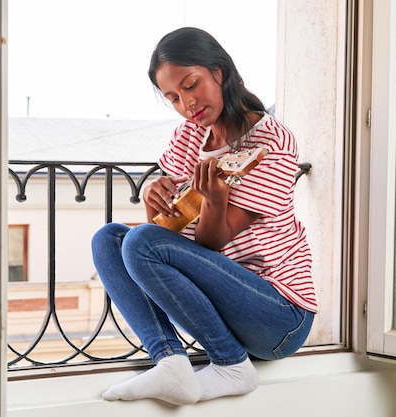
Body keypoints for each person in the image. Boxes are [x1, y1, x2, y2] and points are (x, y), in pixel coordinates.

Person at [91, 27, 317, 406]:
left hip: (279, 314)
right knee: (110, 239)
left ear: (220, 72)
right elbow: (164, 232)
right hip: (224, 303)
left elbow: (213, 242)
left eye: (191, 85)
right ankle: (170, 361)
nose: (186, 104)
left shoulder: (272, 142)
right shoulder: (189, 137)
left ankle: (231, 365)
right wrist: (155, 198)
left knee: (140, 241)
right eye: (174, 98)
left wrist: (215, 199)